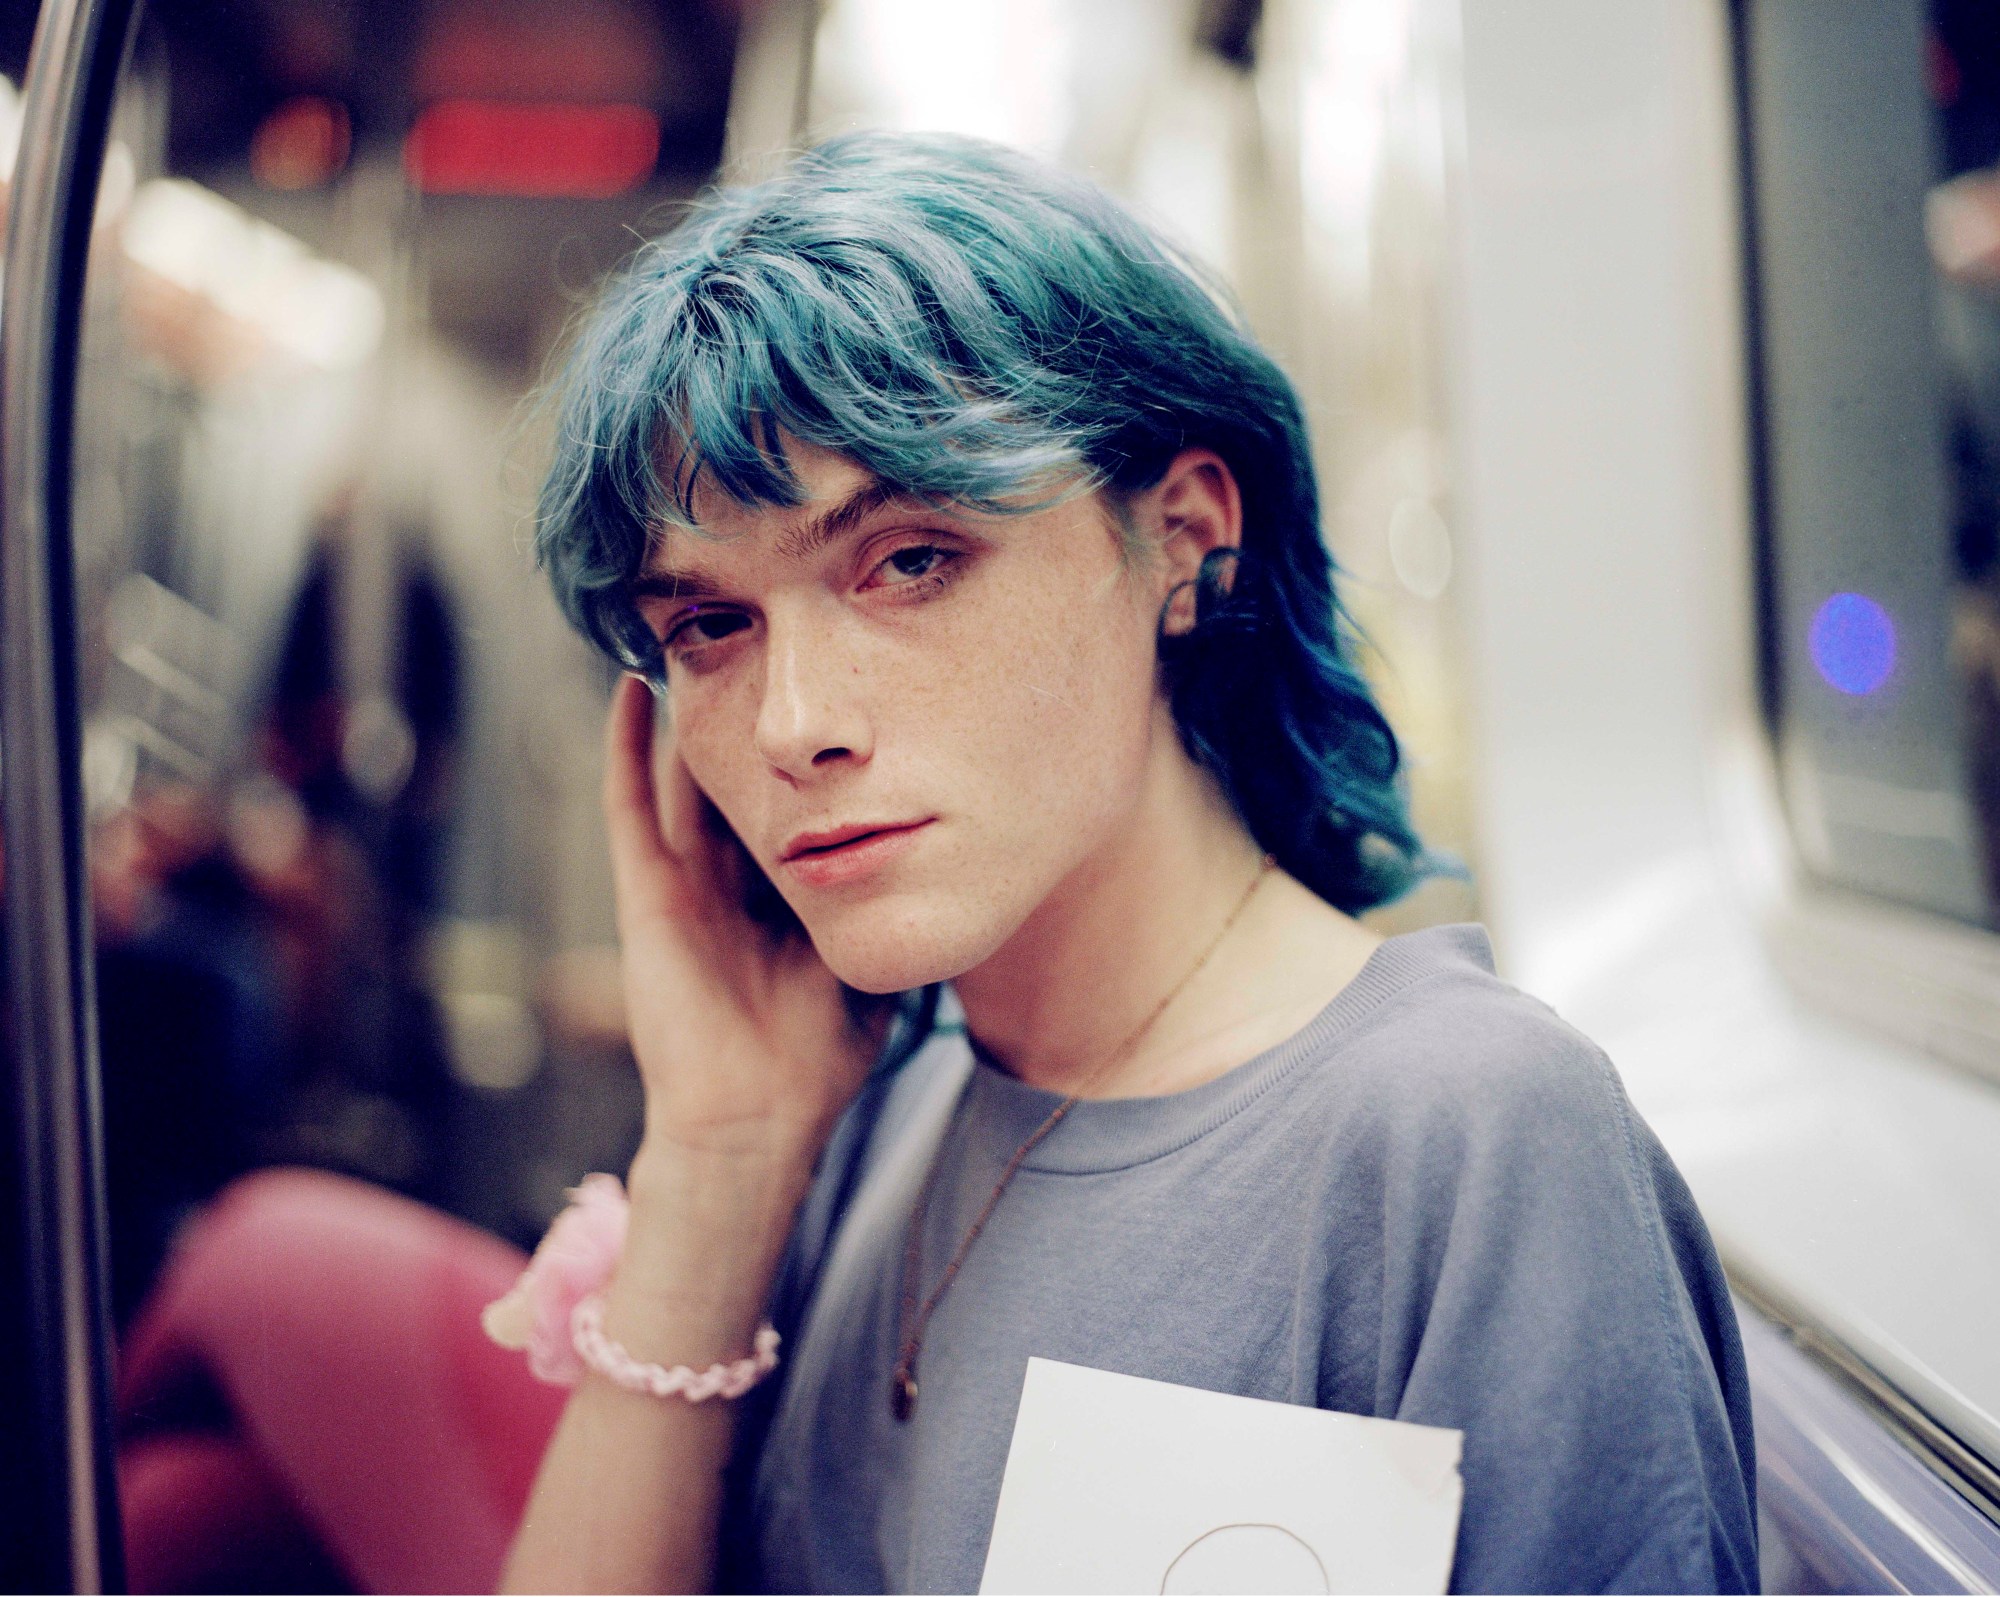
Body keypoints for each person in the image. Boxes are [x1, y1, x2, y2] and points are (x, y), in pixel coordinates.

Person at [507, 130, 1757, 1594]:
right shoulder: (873, 1105)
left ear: (1184, 540)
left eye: (909, 559)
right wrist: (718, 1155)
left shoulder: (1464, 1135)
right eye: (711, 625)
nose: (795, 726)